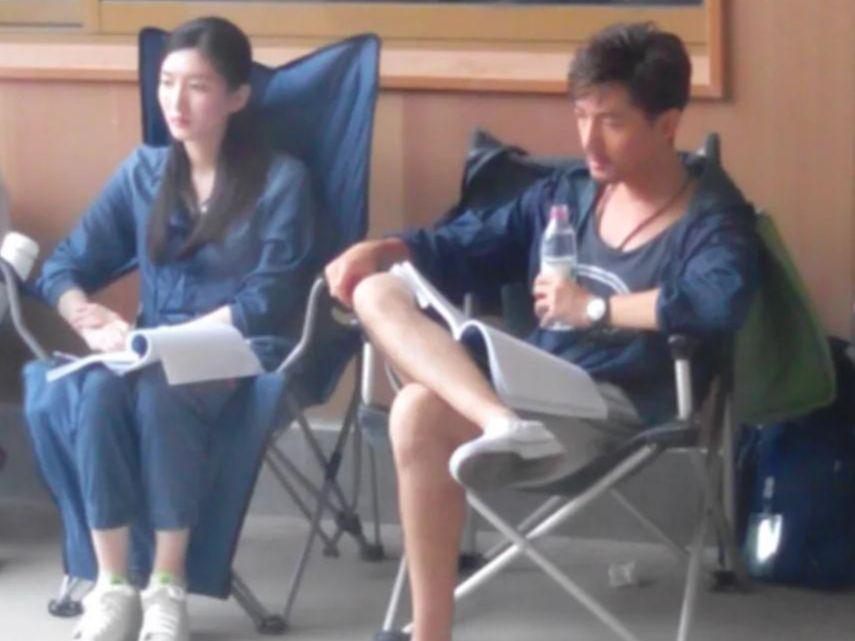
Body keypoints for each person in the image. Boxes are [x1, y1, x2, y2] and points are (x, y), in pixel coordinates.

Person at [325, 22, 757, 641]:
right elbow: (466, 244)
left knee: (418, 408)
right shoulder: (568, 195)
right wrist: (383, 248)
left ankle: (500, 428)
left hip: (614, 411)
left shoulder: (711, 217)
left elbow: (718, 301)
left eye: (611, 122)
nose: (588, 140)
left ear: (666, 125)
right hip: (525, 390)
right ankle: (434, 624)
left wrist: (596, 310)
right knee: (377, 292)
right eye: (581, 116)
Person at [26, 16, 316, 641]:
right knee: (98, 390)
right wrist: (84, 315)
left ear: (237, 97)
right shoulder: (144, 172)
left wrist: (170, 344)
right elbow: (64, 266)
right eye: (166, 82)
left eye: (198, 86)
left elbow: (268, 299)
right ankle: (112, 585)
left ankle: (167, 582)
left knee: (162, 390)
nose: (176, 102)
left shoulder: (281, 180)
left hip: (241, 350)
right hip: (147, 347)